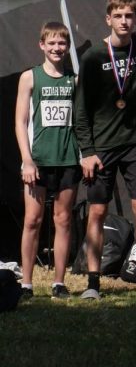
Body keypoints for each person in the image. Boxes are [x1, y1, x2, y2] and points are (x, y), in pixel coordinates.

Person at [73, 0, 136, 301]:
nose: (124, 21)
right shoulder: (93, 57)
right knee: (97, 212)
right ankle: (92, 283)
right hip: (101, 148)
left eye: (130, 16)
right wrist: (87, 152)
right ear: (108, 19)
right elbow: (81, 109)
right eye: (118, 16)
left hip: (135, 141)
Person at [15, 21, 80, 300]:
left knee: (63, 220)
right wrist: (27, 160)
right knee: (32, 221)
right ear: (42, 45)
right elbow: (20, 122)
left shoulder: (74, 79)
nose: (57, 48)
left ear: (67, 47)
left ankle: (58, 282)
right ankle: (27, 284)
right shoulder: (30, 77)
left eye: (62, 43)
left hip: (67, 159)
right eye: (51, 43)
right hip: (38, 161)